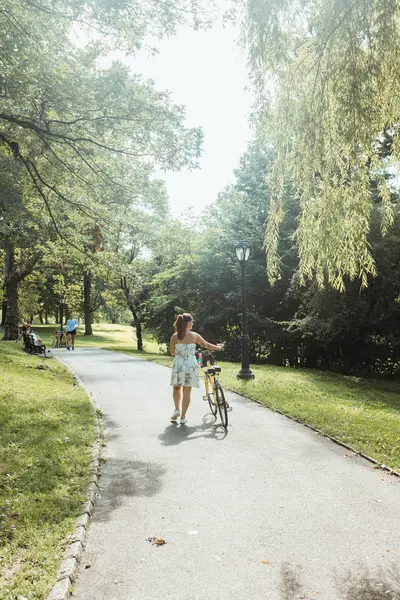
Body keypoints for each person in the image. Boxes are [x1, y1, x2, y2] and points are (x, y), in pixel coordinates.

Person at [170, 313, 224, 425]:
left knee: (176, 388)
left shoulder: (175, 336)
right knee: (187, 391)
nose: (193, 324)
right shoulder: (194, 336)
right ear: (188, 322)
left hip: (178, 364)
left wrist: (181, 354)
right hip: (190, 364)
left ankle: (177, 410)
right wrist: (218, 347)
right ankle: (183, 417)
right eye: (192, 322)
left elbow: (172, 352)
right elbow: (207, 345)